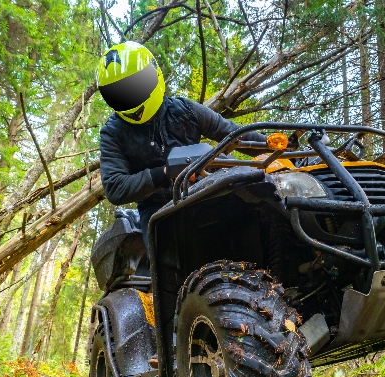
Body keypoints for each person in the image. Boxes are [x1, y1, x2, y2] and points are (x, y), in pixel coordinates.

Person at [96, 41, 267, 247]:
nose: (130, 96)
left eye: (136, 85)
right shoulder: (112, 132)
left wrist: (275, 145)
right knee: (164, 264)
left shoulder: (185, 110)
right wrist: (165, 173)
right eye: (119, 92)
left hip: (204, 191)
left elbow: (231, 133)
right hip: (156, 208)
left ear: (154, 75)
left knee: (259, 220)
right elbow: (115, 187)